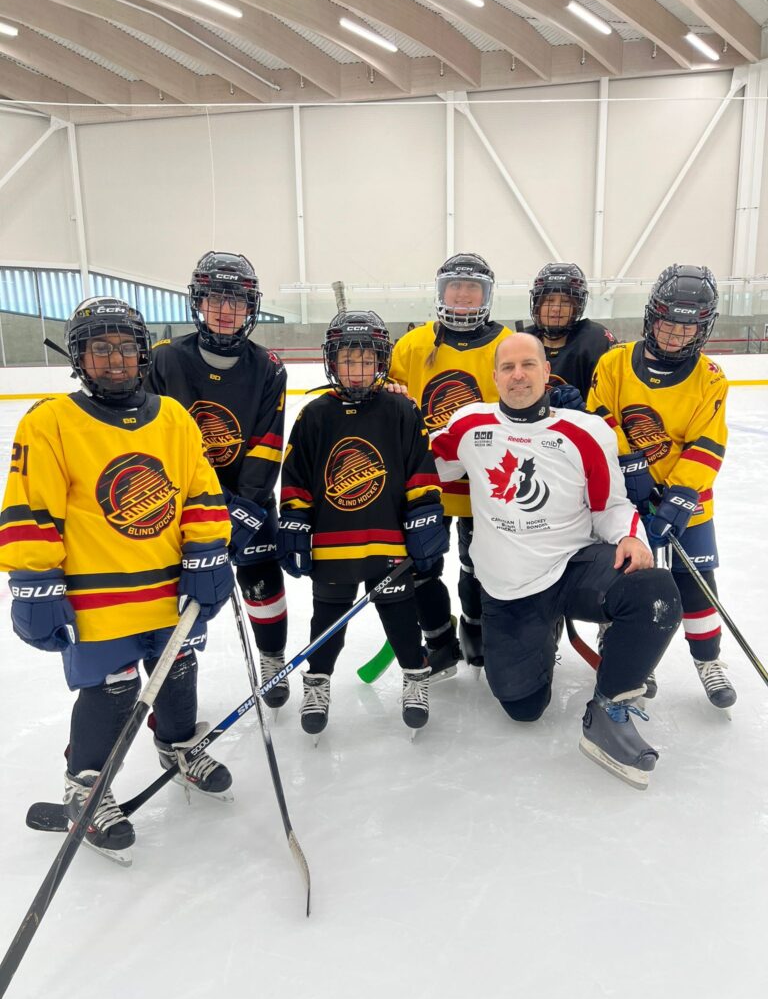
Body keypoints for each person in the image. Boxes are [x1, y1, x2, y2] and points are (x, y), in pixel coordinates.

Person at [0, 298, 234, 859]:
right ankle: (85, 786)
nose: (114, 359)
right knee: (111, 692)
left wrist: (208, 554)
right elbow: (32, 510)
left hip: (168, 589)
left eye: (125, 347)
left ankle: (177, 747)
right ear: (79, 357)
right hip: (95, 597)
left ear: (142, 354)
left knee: (178, 673)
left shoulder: (174, 418)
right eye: (99, 348)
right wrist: (34, 585)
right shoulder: (51, 421)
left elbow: (201, 493)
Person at [431, 332, 682, 789]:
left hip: (573, 567)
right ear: (495, 378)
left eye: (528, 365)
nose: (518, 375)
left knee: (654, 592)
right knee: (522, 708)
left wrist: (631, 538)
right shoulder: (469, 426)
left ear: (547, 372)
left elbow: (611, 505)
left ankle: (609, 710)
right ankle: (542, 630)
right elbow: (421, 465)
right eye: (507, 368)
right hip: (510, 588)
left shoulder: (585, 431)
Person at [277, 310, 448, 735]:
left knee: (401, 617)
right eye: (348, 360)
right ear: (332, 363)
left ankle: (414, 675)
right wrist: (295, 521)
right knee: (326, 619)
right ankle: (317, 683)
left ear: (381, 363)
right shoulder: (314, 414)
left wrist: (425, 516)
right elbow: (296, 477)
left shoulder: (400, 411)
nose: (357, 370)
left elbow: (420, 471)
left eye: (366, 360)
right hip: (333, 543)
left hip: (388, 542)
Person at [145, 252, 289, 709]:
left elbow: (268, 442)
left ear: (251, 308)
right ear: (199, 302)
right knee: (177, 589)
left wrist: (244, 504)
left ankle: (272, 657)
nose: (226, 311)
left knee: (261, 578)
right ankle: (174, 684)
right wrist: (208, 503)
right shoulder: (165, 360)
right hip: (182, 501)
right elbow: (152, 440)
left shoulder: (269, 366)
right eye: (215, 299)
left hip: (251, 498)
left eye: (237, 301)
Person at [587, 264, 734, 711]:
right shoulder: (614, 362)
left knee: (696, 584)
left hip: (686, 504)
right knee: (627, 580)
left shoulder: (710, 377)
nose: (674, 337)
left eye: (686, 329)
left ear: (702, 328)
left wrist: (682, 493)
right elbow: (599, 419)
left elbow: (708, 441)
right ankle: (632, 657)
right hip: (623, 499)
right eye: (668, 325)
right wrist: (630, 465)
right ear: (653, 318)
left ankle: (708, 661)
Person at [389, 253, 514, 672]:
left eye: (472, 288)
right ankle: (438, 636)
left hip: (487, 483)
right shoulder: (412, 345)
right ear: (441, 293)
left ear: (487, 295)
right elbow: (393, 407)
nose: (462, 296)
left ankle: (475, 629)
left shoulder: (505, 346)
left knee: (479, 564)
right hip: (429, 481)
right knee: (421, 562)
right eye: (455, 288)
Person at [525, 262, 615, 408]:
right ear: (537, 304)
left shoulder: (596, 340)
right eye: (549, 300)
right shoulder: (523, 341)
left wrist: (588, 412)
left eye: (566, 302)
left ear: (577, 307)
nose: (556, 309)